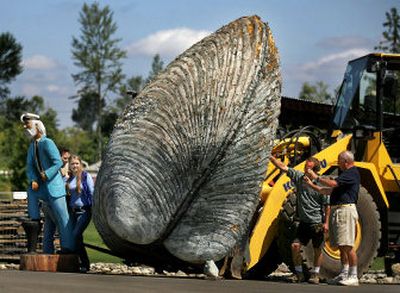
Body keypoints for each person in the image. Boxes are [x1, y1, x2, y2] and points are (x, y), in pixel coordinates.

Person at [270, 155, 329, 284]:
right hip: (304, 222)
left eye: (308, 168)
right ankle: (299, 274)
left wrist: (326, 223)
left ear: (315, 170)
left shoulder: (320, 183)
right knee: (295, 246)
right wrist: (270, 157)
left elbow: (327, 205)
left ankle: (316, 274)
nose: (305, 170)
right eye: (305, 167)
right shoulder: (299, 177)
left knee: (318, 249)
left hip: (317, 222)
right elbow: (283, 167)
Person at [21, 113, 75, 253]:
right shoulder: (32, 146)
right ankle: (34, 220)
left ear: (37, 127)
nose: (25, 128)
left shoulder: (48, 142)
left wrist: (48, 173)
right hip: (42, 186)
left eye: (28, 125)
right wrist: (33, 179)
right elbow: (30, 165)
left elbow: (57, 162)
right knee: (31, 191)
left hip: (54, 186)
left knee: (63, 218)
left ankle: (68, 247)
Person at [304, 150, 360, 286]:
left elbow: (333, 184)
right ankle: (344, 273)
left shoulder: (351, 173)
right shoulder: (345, 175)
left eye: (339, 160)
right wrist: (312, 185)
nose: (338, 163)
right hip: (339, 210)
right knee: (341, 246)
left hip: (345, 210)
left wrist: (316, 177)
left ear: (346, 162)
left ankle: (353, 276)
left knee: (348, 245)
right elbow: (328, 191)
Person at [66, 154, 94, 272]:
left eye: (77, 163)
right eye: (72, 164)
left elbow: (92, 192)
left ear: (80, 164)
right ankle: (80, 263)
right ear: (70, 166)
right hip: (72, 212)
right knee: (77, 238)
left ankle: (85, 264)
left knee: (76, 234)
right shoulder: (69, 178)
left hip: (84, 211)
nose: (75, 165)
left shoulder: (85, 176)